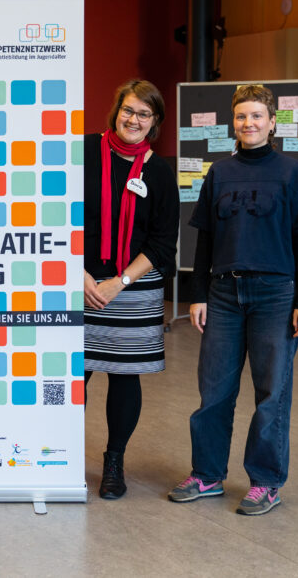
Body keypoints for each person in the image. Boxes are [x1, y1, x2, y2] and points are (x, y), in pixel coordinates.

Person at [169, 83, 298, 515]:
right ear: (232, 123)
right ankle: (207, 474)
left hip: (275, 294)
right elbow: (204, 240)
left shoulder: (291, 172)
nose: (248, 123)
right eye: (241, 116)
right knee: (214, 390)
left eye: (257, 116)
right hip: (223, 293)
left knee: (272, 392)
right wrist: (197, 295)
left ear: (272, 123)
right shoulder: (219, 173)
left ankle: (266, 482)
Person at [84, 79, 179, 499]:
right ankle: (60, 455)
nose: (134, 120)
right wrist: (78, 274)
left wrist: (118, 282)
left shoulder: (160, 171)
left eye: (144, 113)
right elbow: (52, 213)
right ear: (116, 110)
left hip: (132, 288)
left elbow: (162, 242)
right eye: (128, 110)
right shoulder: (83, 151)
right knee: (70, 375)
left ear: (154, 121)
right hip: (78, 282)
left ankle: (114, 461)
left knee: (124, 377)